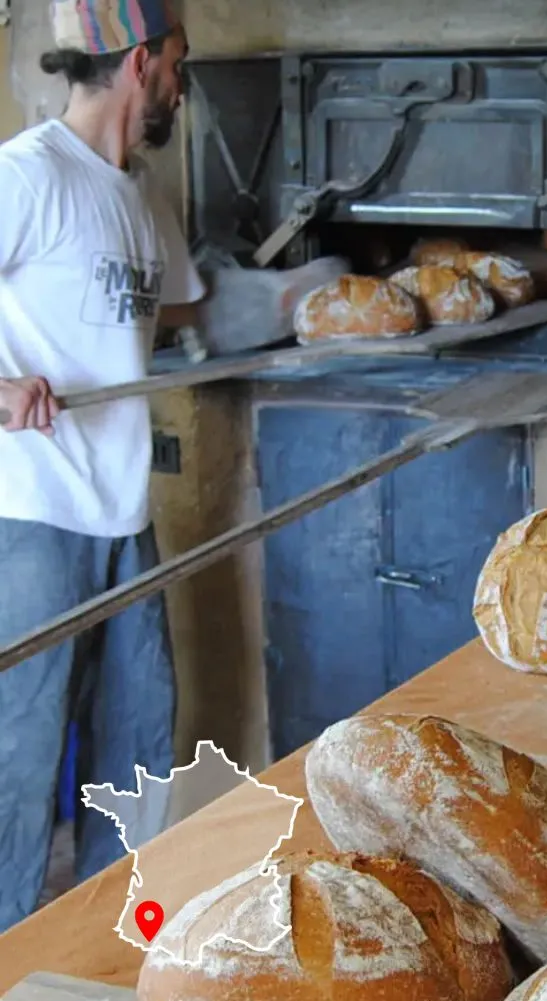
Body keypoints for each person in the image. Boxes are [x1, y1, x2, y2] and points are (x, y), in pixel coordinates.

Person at [0, 0, 204, 932]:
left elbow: (193, 316)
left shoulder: (139, 196)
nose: (179, 85)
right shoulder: (28, 174)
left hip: (126, 515)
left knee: (135, 748)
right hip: (33, 516)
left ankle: (105, 946)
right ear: (141, 62)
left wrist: (307, 291)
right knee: (20, 754)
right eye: (176, 63)